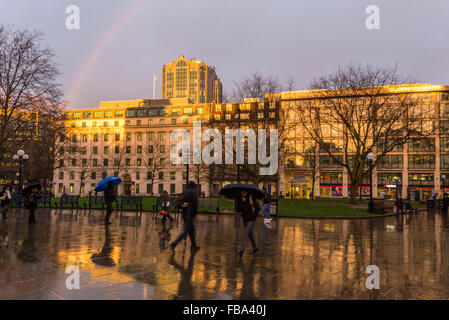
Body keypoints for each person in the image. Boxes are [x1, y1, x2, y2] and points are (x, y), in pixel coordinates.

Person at [170, 181, 200, 252]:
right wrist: (194, 213)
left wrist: (185, 205)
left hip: (185, 214)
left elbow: (178, 203)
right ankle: (174, 243)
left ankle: (193, 245)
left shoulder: (185, 192)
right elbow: (195, 203)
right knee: (186, 232)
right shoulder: (192, 192)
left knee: (191, 230)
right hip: (190, 214)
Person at [236, 190, 260, 257]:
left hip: (251, 218)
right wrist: (239, 203)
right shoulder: (239, 199)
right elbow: (238, 210)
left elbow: (257, 208)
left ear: (247, 191)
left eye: (244, 192)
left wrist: (254, 215)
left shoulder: (252, 197)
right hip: (245, 219)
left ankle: (242, 250)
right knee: (250, 234)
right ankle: (255, 247)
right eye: (242, 192)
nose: (243, 193)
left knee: (246, 233)